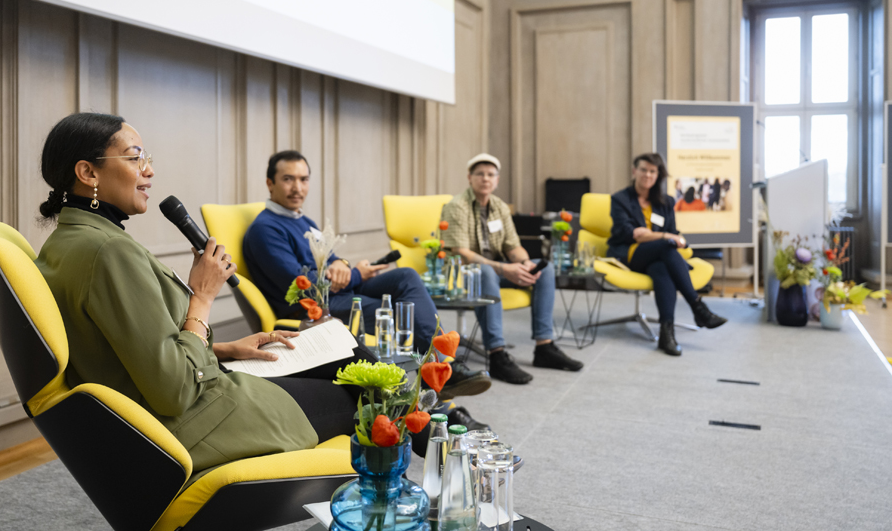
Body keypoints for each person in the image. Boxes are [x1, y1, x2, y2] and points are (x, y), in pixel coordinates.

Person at [34, 113, 429, 474]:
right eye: (136, 158)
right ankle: (425, 457)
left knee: (347, 352)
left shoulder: (69, 242)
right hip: (200, 418)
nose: (150, 170)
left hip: (200, 388)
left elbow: (127, 349)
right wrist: (202, 296)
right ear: (88, 172)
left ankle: (437, 422)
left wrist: (225, 348)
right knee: (368, 396)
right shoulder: (107, 252)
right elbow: (173, 391)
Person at [243, 150, 491, 429]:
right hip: (312, 308)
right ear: (270, 183)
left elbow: (333, 259)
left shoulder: (303, 220)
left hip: (339, 291)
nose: (298, 187)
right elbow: (305, 287)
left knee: (406, 277)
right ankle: (440, 394)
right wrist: (354, 273)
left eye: (303, 179)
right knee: (400, 312)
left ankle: (443, 367)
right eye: (288, 179)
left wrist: (347, 265)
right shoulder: (265, 229)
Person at [441, 153, 583, 385]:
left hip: (496, 270)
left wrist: (525, 263)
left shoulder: (500, 207)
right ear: (469, 178)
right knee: (484, 271)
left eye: (490, 175)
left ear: (497, 180)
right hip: (462, 275)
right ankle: (497, 354)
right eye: (480, 174)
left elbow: (513, 246)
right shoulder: (456, 207)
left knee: (543, 268)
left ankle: (544, 347)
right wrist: (504, 269)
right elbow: (461, 253)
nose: (485, 179)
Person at [607, 153, 727, 356]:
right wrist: (665, 236)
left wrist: (667, 237)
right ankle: (698, 307)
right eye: (644, 170)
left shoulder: (666, 202)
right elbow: (633, 234)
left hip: (657, 256)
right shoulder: (620, 199)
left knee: (661, 267)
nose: (648, 175)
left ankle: (666, 334)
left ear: (658, 175)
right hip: (629, 254)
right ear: (634, 171)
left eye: (653, 171)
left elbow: (670, 233)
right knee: (666, 245)